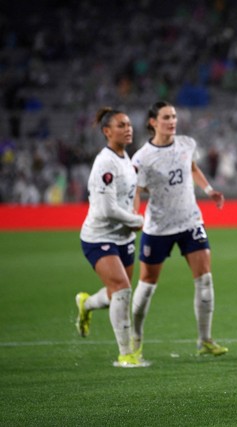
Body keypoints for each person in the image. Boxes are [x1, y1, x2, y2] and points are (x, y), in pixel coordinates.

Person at [130, 101, 228, 360]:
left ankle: (205, 340)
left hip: (190, 221)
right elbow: (136, 191)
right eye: (166, 117)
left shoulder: (187, 143)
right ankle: (135, 339)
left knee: (205, 278)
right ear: (153, 122)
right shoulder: (142, 157)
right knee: (147, 284)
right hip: (158, 226)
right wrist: (133, 216)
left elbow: (192, 168)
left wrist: (209, 191)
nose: (172, 121)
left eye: (173, 116)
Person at [75, 107, 147, 368]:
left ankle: (86, 303)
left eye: (128, 124)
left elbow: (130, 194)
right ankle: (125, 354)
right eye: (120, 125)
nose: (128, 128)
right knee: (123, 290)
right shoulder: (104, 162)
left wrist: (133, 217)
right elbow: (105, 209)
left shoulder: (124, 159)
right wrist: (137, 221)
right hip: (99, 236)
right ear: (107, 131)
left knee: (116, 291)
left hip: (123, 237)